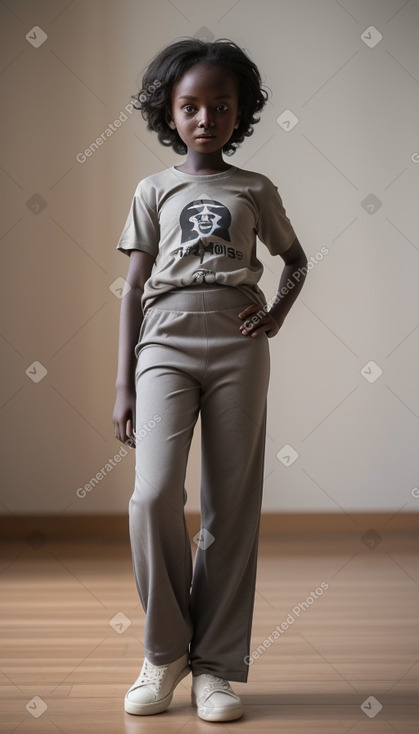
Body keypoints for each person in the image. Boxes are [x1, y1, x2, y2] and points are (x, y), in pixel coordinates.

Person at [112, 37, 308, 723]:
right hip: (162, 342)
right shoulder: (153, 190)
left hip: (237, 346)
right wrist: (124, 384)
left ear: (239, 113)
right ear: (170, 111)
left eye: (220, 107)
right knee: (153, 496)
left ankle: (216, 669)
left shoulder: (254, 189)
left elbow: (297, 261)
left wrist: (275, 316)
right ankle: (164, 652)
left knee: (229, 509)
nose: (204, 118)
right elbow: (133, 286)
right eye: (190, 106)